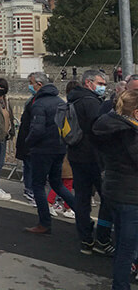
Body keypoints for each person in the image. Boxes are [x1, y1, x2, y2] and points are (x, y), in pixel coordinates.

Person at [93, 86, 138, 290]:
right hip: (131, 198)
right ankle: (120, 286)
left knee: (122, 244)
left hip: (114, 192)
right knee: (127, 250)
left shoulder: (111, 128)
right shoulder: (131, 135)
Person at [68, 70, 115, 255]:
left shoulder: (73, 99)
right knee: (107, 198)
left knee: (82, 199)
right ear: (89, 82)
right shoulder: (91, 102)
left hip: (75, 155)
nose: (103, 86)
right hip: (94, 158)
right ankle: (103, 238)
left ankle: (85, 238)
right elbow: (100, 130)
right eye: (100, 83)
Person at [23, 71, 76, 234]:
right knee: (57, 183)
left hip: (43, 149)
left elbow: (37, 129)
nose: (30, 86)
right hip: (59, 148)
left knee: (38, 185)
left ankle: (44, 222)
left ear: (39, 84)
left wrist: (28, 143)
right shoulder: (60, 101)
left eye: (31, 82)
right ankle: (81, 212)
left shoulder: (39, 104)